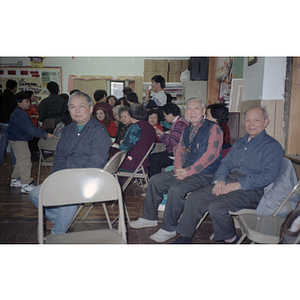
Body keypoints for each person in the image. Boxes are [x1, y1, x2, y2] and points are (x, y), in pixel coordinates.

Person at [172, 106, 284, 244]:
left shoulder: (273, 146)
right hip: (229, 180)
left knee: (217, 206)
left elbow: (268, 176)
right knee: (195, 198)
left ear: (265, 122)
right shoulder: (240, 143)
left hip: (253, 189)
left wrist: (238, 185)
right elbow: (225, 164)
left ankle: (229, 240)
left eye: (256, 120)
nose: (251, 124)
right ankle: (184, 237)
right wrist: (220, 180)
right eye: (247, 120)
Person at [129, 98, 223, 243]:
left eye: (196, 108)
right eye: (189, 109)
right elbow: (179, 151)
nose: (192, 112)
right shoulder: (187, 129)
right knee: (155, 180)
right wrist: (178, 169)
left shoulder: (213, 128)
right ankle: (149, 218)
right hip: (186, 170)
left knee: (176, 189)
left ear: (203, 111)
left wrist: (188, 172)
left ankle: (169, 228)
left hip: (206, 174)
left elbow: (210, 156)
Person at [29, 91, 111, 235]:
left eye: (81, 106)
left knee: (69, 196)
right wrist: (57, 178)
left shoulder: (99, 131)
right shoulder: (68, 130)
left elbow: (95, 164)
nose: (77, 110)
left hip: (89, 180)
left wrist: (70, 181)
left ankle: (57, 234)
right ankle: (60, 219)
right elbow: (60, 156)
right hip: (66, 177)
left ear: (91, 109)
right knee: (35, 194)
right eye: (72, 107)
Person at [8, 92, 54, 193]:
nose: (29, 103)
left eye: (29, 101)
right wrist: (45, 135)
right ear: (18, 102)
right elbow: (31, 129)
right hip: (19, 140)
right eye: (26, 101)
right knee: (25, 161)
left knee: (20, 161)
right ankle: (25, 184)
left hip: (17, 140)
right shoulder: (20, 114)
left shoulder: (18, 112)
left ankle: (15, 180)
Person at [118, 103, 156, 184]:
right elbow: (152, 148)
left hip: (132, 163)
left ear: (132, 114)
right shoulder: (150, 127)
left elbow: (124, 148)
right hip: (144, 163)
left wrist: (121, 144)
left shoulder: (135, 127)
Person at [148, 103, 189, 178]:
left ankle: (153, 182)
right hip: (177, 151)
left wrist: (161, 134)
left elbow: (173, 141)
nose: (165, 118)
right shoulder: (180, 121)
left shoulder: (180, 124)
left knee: (154, 158)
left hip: (178, 154)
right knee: (155, 156)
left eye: (165, 115)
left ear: (170, 114)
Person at [0, 79, 17, 166]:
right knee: (13, 143)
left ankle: (0, 161)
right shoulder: (13, 98)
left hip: (3, 123)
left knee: (3, 143)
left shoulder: (1, 96)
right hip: (11, 123)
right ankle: (14, 163)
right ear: (14, 87)